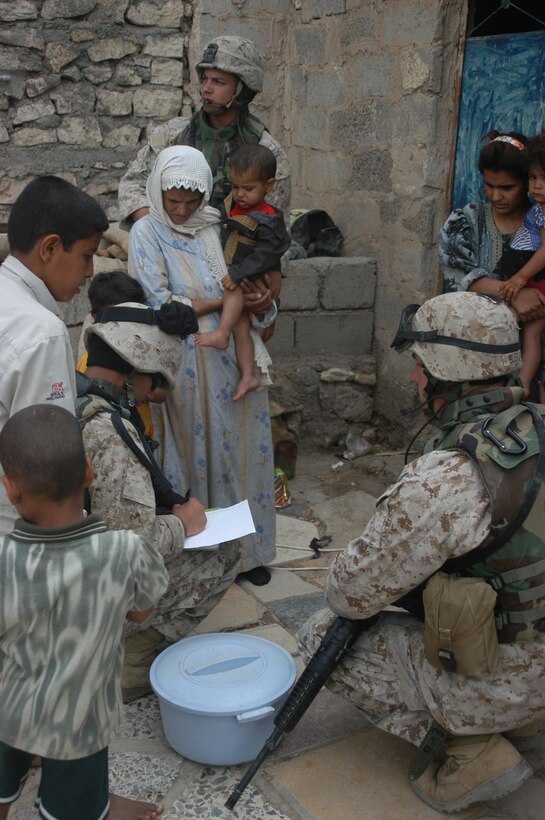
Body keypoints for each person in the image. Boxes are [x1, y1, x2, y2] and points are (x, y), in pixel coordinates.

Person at [297, 291, 545, 814]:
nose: (413, 380)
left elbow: (349, 593)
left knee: (320, 633)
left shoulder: (449, 477)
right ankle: (524, 721)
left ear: (445, 374)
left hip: (510, 678)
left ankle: (473, 747)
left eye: (418, 367)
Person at [0, 404, 168, 820]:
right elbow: (141, 614)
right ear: (89, 472)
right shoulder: (126, 553)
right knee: (72, 812)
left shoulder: (3, 559)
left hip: (9, 710)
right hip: (79, 725)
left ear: (10, 489)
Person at [77, 301, 243, 699]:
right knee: (226, 550)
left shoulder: (76, 400)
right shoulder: (109, 433)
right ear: (134, 369)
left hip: (70, 578)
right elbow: (133, 547)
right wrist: (185, 524)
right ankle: (130, 662)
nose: (153, 394)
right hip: (91, 602)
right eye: (152, 382)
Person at [128, 145, 276, 587]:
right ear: (157, 191)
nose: (181, 209)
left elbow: (256, 279)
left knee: (241, 455)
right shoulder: (146, 233)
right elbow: (157, 302)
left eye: (191, 202)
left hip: (235, 357)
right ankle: (203, 557)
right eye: (174, 201)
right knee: (194, 457)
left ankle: (247, 555)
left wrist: (262, 302)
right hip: (187, 361)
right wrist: (223, 300)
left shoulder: (218, 225)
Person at [0, 175, 108, 535]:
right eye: (86, 256)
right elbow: (46, 472)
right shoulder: (39, 331)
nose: (91, 271)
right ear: (49, 248)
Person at [118, 36, 290, 224]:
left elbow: (276, 225)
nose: (206, 89)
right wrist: (156, 227)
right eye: (204, 79)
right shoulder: (173, 135)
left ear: (243, 89)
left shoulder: (267, 151)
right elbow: (132, 186)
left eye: (218, 82)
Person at [194, 144, 291, 400]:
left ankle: (220, 334)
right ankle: (248, 374)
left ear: (269, 186)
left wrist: (238, 274)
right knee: (241, 325)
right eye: (236, 187)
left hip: (250, 277)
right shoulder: (232, 205)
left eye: (248, 189)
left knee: (233, 297)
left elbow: (267, 254)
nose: (240, 194)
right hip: (236, 271)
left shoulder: (269, 219)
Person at [439, 131, 545, 325]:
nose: (495, 196)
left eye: (507, 188)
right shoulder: (465, 222)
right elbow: (460, 274)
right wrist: (515, 295)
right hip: (477, 336)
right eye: (489, 185)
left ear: (526, 182)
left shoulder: (539, 222)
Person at [76, 270, 160, 435]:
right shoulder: (90, 363)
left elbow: (160, 394)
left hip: (141, 435)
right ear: (95, 317)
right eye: (118, 317)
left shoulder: (143, 355)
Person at [494, 134, 545, 393]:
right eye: (533, 177)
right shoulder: (539, 207)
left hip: (535, 277)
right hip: (531, 273)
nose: (537, 186)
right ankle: (522, 385)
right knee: (530, 334)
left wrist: (520, 278)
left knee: (511, 323)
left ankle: (515, 383)